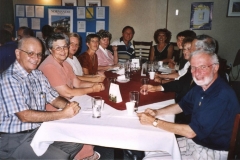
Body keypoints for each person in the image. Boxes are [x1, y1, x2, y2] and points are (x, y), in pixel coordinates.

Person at [0, 37, 100, 160]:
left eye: (39, 55)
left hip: (38, 130)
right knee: (58, 157)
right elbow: (24, 116)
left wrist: (69, 106)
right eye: (31, 53)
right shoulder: (9, 79)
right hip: (15, 139)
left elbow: (54, 98)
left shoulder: (37, 74)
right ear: (18, 53)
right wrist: (63, 114)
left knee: (75, 140)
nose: (36, 58)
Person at [138, 50, 240, 159]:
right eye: (193, 67)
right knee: (150, 146)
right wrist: (157, 112)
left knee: (150, 157)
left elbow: (191, 132)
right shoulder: (202, 86)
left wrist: (153, 122)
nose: (196, 72)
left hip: (212, 151)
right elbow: (182, 106)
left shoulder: (220, 95)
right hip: (196, 142)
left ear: (215, 68)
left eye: (203, 67)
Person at [38, 33, 104, 111]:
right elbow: (67, 92)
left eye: (65, 47)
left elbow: (78, 83)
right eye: (58, 48)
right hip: (55, 110)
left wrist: (96, 84)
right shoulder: (49, 66)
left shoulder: (65, 63)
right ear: (50, 50)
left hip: (70, 102)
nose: (63, 51)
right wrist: (93, 89)